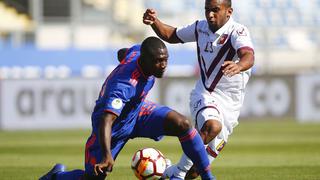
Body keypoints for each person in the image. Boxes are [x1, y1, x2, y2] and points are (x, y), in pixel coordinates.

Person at [39, 36, 214, 180]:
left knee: (182, 123)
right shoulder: (123, 84)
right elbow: (106, 120)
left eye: (165, 60)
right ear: (145, 60)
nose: (163, 65)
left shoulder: (138, 52)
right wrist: (107, 154)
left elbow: (123, 53)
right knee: (92, 178)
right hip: (113, 128)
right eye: (158, 61)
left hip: (137, 113)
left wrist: (124, 59)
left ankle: (208, 177)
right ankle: (56, 177)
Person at [143, 0, 255, 179]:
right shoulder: (200, 28)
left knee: (194, 172)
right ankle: (177, 174)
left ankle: (168, 173)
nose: (210, 14)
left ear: (229, 12)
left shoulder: (237, 31)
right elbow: (172, 35)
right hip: (205, 93)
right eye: (207, 10)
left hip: (231, 106)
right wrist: (155, 21)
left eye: (215, 10)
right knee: (212, 126)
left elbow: (248, 55)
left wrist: (239, 66)